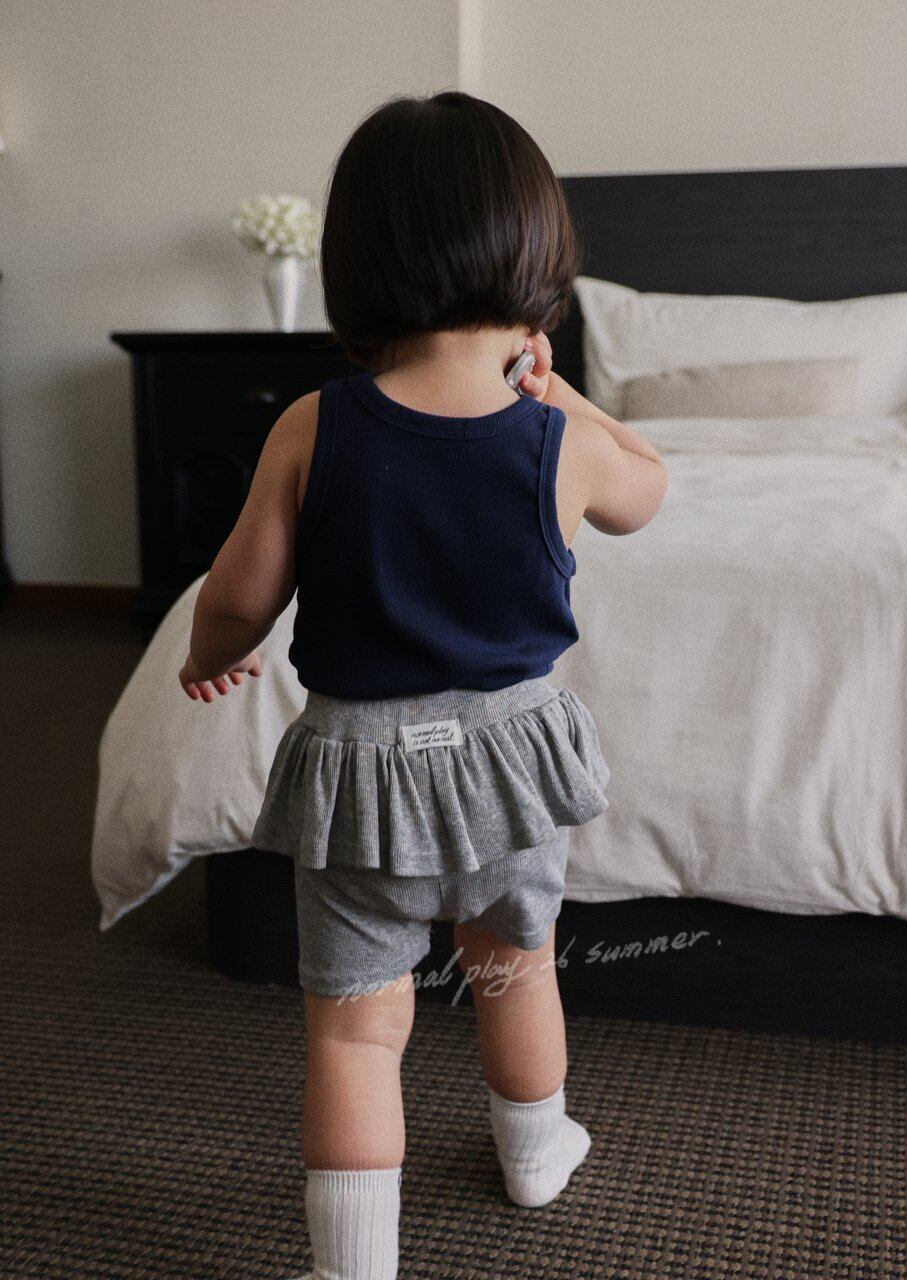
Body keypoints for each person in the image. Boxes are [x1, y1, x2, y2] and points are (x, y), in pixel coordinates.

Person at [178, 90, 667, 1280]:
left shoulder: (313, 426)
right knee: (515, 962)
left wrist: (208, 653)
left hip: (361, 770)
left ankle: (353, 1263)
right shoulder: (562, 439)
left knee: (356, 1030)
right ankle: (535, 1151)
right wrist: (564, 391)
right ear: (538, 252)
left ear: (357, 262)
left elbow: (240, 592)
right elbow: (647, 487)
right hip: (513, 762)